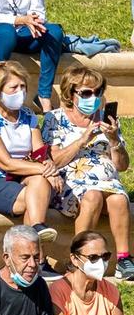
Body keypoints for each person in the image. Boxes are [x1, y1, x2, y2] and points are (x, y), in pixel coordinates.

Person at [45, 67, 130, 274]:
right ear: (70, 93)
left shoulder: (107, 121)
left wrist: (114, 140)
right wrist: (82, 141)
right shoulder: (55, 119)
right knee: (92, 197)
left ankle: (124, 260)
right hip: (73, 184)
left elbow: (122, 165)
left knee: (118, 199)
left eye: (97, 92)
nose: (93, 97)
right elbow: (54, 160)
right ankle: (78, 259)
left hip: (109, 183)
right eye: (86, 93)